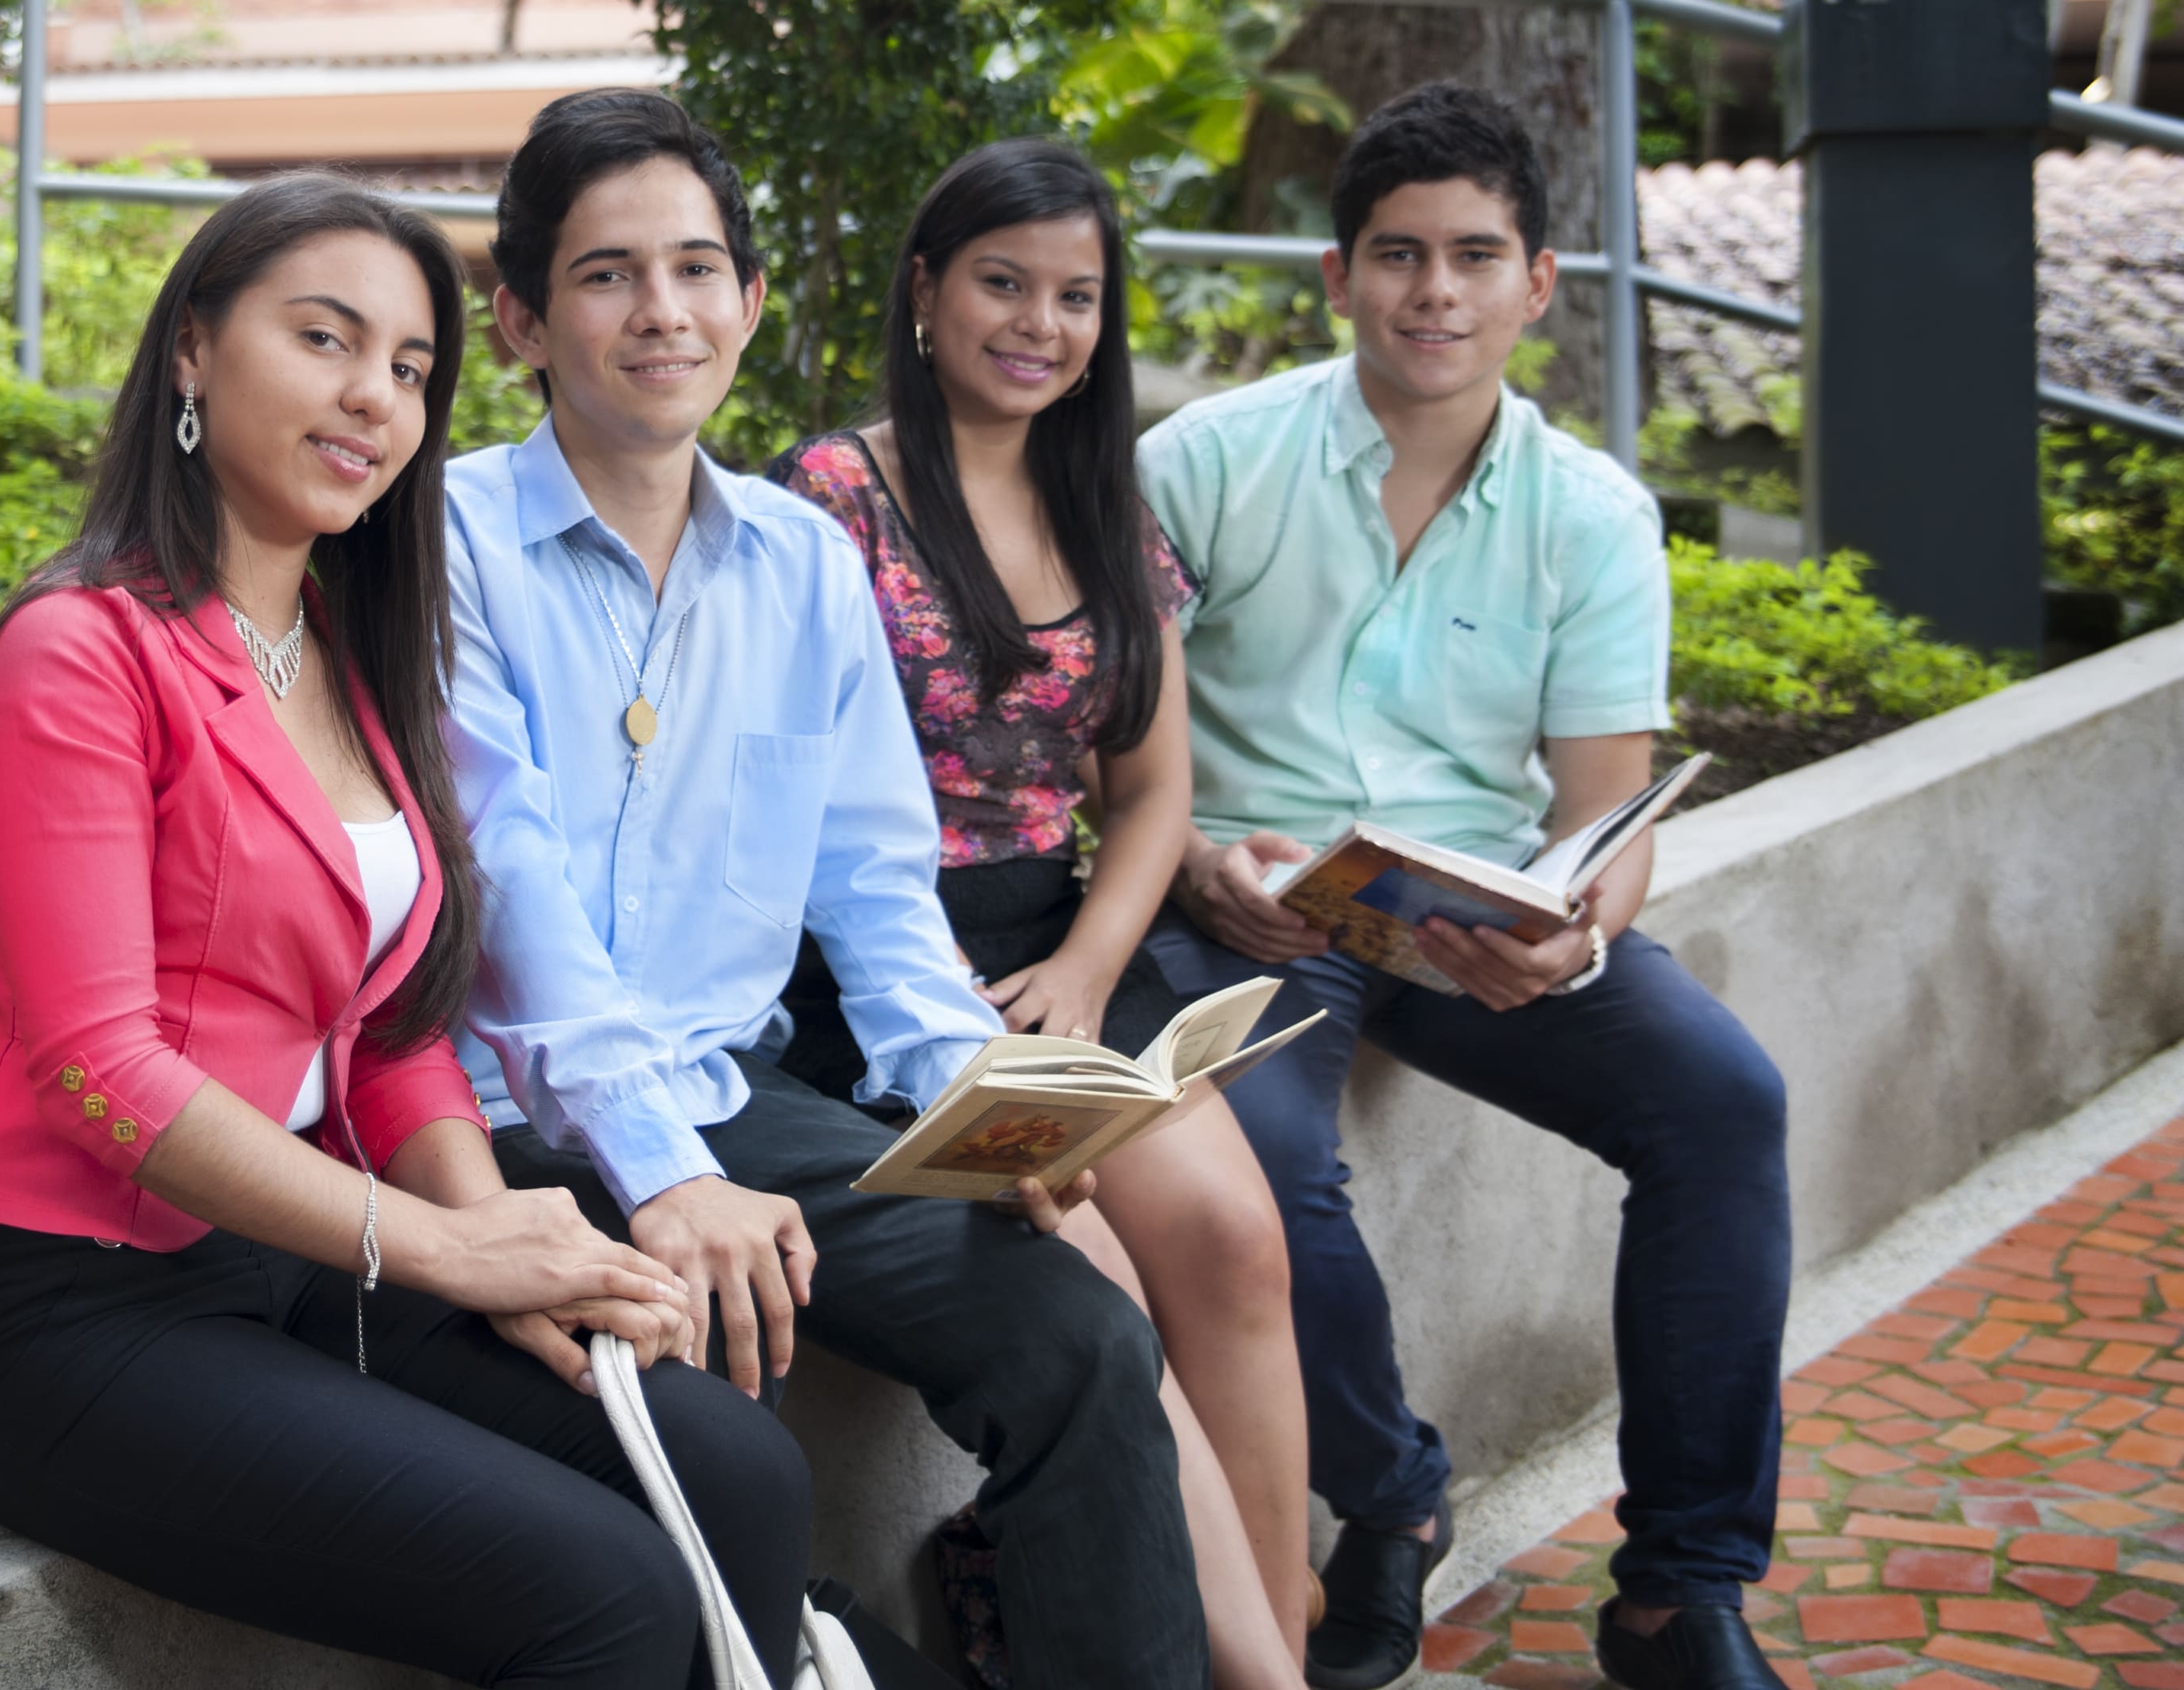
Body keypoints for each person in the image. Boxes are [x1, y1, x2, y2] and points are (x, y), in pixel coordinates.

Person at [0, 172, 815, 1690]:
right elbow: (100, 1065)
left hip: (302, 1258)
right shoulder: (80, 652)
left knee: (738, 1471)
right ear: (192, 348)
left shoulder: (346, 654)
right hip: (74, 1313)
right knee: (601, 1601)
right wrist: (450, 1250)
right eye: (327, 340)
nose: (374, 400)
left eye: (409, 370)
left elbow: (388, 1028)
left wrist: (514, 1246)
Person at [443, 88, 1210, 1690]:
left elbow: (875, 882)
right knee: (726, 1429)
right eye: (604, 275)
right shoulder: (441, 549)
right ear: (518, 316)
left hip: (737, 1096)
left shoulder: (798, 561)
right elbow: (504, 893)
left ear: (752, 298)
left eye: (698, 267)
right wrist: (659, 1172)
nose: (663, 311)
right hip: (509, 1123)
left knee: (1076, 1331)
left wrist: (975, 1101)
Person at [1135, 84, 1789, 1690]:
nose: (1434, 293)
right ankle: (1392, 1494)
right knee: (1268, 1173)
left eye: (1473, 256)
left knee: (1722, 1102)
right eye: (1397, 255)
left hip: (1459, 911)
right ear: (1336, 274)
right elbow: (1116, 753)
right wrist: (1203, 860)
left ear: (1538, 281)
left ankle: (1677, 1589)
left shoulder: (1592, 518)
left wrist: (1576, 935)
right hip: (1250, 903)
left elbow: (1602, 810)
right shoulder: (1201, 464)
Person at [769, 137, 1309, 1690]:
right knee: (1102, 1280)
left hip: (1058, 951)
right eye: (1003, 282)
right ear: (926, 291)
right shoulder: (828, 497)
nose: (1039, 324)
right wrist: (972, 989)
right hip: (870, 969)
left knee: (1230, 1235)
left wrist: (1083, 962)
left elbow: (1149, 794)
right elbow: (794, 811)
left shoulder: (1106, 508)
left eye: (1076, 296)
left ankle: (1272, 1638)